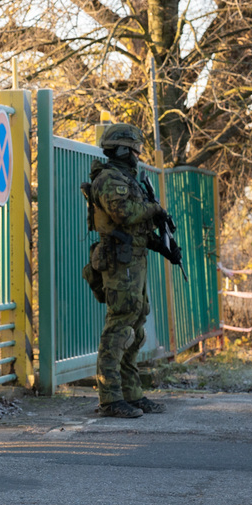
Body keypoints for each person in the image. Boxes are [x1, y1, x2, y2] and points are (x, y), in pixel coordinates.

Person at [85, 123, 168, 419]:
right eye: (135, 150)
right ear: (123, 150)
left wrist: (161, 243)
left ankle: (131, 393)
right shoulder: (109, 179)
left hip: (133, 258)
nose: (137, 155)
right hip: (119, 261)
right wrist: (154, 210)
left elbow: (137, 224)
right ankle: (110, 398)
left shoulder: (128, 178)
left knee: (136, 325)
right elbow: (123, 214)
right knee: (119, 327)